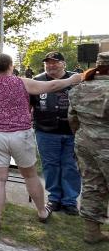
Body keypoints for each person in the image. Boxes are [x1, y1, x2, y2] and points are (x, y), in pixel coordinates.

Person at [0, 53, 81, 230]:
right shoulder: (22, 82)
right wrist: (71, 80)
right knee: (30, 175)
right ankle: (42, 212)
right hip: (21, 134)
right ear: (11, 66)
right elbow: (51, 85)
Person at [30, 51, 81, 215]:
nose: (51, 65)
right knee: (50, 166)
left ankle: (70, 201)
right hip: (46, 132)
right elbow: (29, 105)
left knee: (71, 166)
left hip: (73, 132)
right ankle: (54, 199)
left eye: (55, 62)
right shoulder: (37, 81)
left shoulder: (76, 80)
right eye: (48, 62)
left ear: (63, 63)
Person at [68, 52, 109, 244]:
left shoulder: (79, 89)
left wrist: (82, 134)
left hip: (84, 142)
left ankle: (92, 232)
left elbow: (72, 119)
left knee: (92, 185)